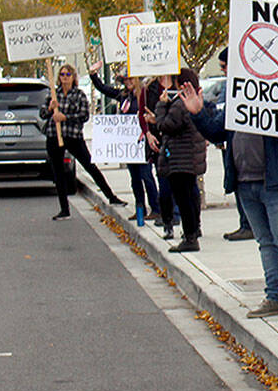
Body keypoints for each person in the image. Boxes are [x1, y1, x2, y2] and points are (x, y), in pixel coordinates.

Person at [180, 78, 278, 318]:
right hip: (245, 182)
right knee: (265, 241)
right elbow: (215, 132)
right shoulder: (238, 96)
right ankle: (274, 297)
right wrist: (198, 112)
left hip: (277, 182)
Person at [39, 63, 125, 220]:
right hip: (54, 136)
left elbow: (84, 115)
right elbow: (43, 114)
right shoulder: (53, 95)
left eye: (68, 75)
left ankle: (111, 196)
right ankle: (64, 209)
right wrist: (51, 109)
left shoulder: (79, 95)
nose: (65, 78)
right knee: (58, 173)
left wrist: (66, 117)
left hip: (73, 136)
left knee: (89, 165)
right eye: (62, 75)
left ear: (73, 77)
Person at [89, 62, 159, 223]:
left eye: (130, 79)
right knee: (134, 178)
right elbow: (103, 89)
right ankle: (140, 207)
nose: (127, 82)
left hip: (142, 141)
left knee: (146, 175)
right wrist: (94, 75)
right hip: (128, 145)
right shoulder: (123, 96)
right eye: (125, 80)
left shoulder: (145, 95)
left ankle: (155, 208)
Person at [153, 68, 208, 252]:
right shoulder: (193, 101)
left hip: (180, 157)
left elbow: (166, 125)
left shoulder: (180, 104)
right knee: (190, 196)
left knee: (183, 199)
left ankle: (190, 236)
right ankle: (193, 230)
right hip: (190, 156)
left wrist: (161, 107)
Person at [214, 48, 254, 242]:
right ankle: (245, 223)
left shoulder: (241, 85)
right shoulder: (228, 86)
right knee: (236, 183)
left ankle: (248, 224)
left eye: (224, 66)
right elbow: (221, 113)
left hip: (246, 149)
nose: (222, 70)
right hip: (232, 144)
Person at [144, 74, 182, 239]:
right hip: (161, 143)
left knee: (184, 188)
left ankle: (186, 222)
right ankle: (168, 221)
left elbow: (173, 121)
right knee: (164, 185)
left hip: (181, 145)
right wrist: (148, 132)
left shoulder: (181, 82)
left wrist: (158, 116)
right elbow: (143, 113)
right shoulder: (149, 89)